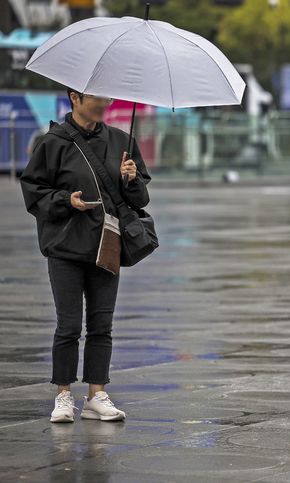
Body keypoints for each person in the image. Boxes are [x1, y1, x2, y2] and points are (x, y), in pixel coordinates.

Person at [20, 87, 151, 423]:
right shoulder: (52, 143)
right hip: (65, 246)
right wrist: (67, 200)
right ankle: (63, 395)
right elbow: (34, 192)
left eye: (107, 99)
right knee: (68, 325)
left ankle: (96, 394)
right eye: (97, 99)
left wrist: (132, 179)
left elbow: (140, 198)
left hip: (107, 244)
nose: (104, 105)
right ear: (74, 98)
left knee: (101, 325)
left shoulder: (122, 141)